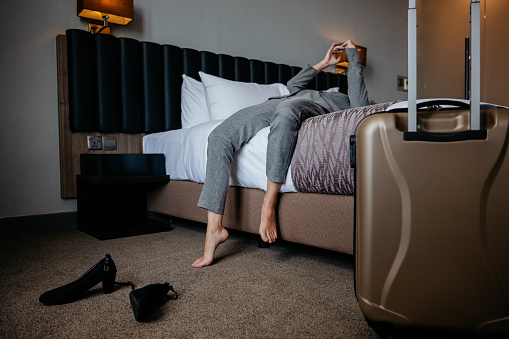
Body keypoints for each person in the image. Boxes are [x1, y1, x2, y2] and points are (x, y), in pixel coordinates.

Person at [192, 40, 368, 268]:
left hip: (303, 107)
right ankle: (214, 229)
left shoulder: (344, 101)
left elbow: (362, 107)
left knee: (286, 112)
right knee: (218, 137)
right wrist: (325, 62)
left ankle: (268, 204)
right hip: (274, 103)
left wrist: (353, 54)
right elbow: (292, 84)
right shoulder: (301, 89)